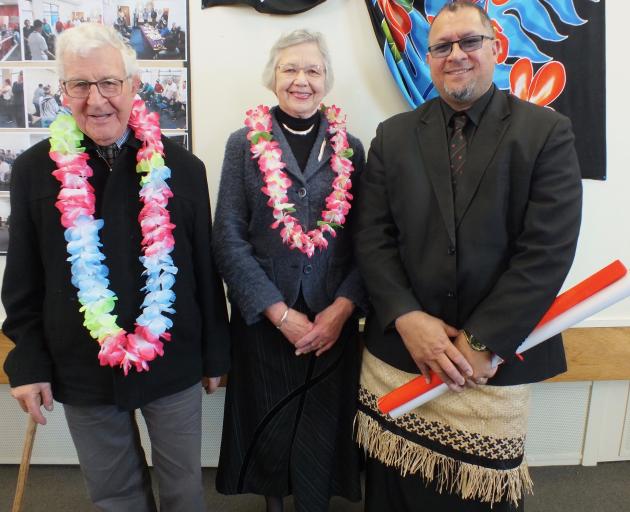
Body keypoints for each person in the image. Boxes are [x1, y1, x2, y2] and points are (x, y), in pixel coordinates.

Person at [353, 2, 582, 511]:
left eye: (469, 41)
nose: (455, 54)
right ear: (428, 58)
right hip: (400, 357)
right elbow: (372, 237)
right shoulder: (392, 137)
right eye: (441, 46)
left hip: (492, 363)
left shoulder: (546, 132)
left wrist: (483, 341)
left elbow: (547, 251)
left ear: (496, 48)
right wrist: (407, 317)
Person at [2, 23, 230, 512]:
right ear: (62, 92)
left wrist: (216, 356)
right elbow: (21, 282)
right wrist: (28, 363)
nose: (96, 98)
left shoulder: (183, 168)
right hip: (81, 365)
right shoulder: (32, 171)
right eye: (79, 85)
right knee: (113, 495)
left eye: (109, 83)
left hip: (172, 358)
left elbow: (204, 274)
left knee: (183, 489)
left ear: (133, 86)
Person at [213, 28, 365, 512]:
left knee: (321, 425)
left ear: (327, 81)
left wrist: (342, 310)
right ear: (273, 78)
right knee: (270, 421)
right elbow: (228, 236)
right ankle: (274, 504)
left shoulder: (351, 148)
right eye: (290, 69)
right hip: (265, 315)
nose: (302, 80)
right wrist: (276, 312)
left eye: (313, 70)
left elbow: (368, 241)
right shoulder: (243, 145)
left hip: (330, 316)